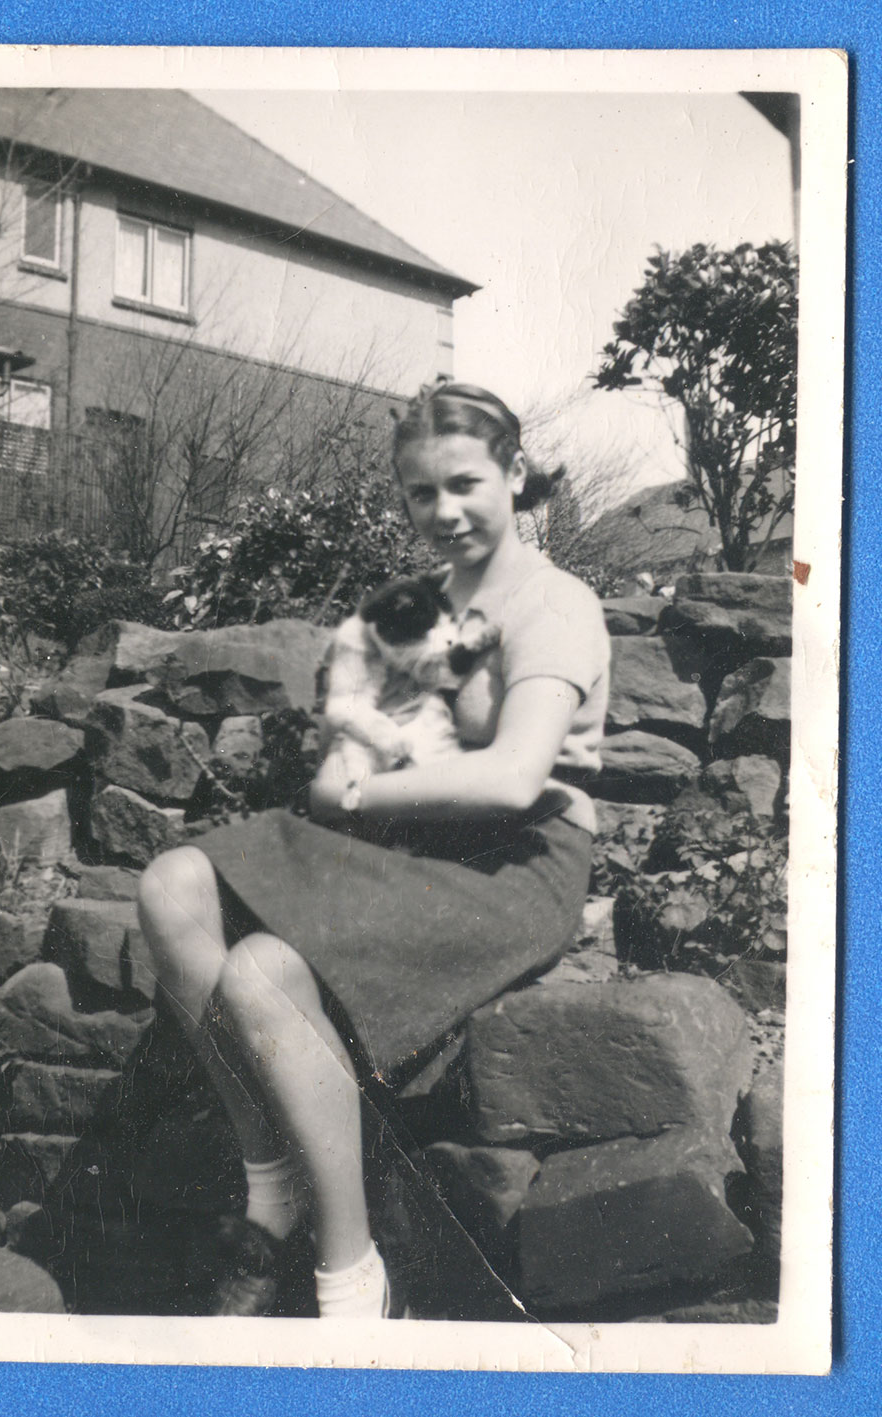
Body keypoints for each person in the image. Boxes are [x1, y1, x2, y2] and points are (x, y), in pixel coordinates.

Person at [137, 380, 611, 1319]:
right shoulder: (413, 605)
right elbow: (356, 738)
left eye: (466, 483)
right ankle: (270, 1184)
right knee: (173, 884)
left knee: (263, 972)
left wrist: (353, 787)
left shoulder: (555, 604)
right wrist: (355, 766)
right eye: (420, 495)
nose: (445, 511)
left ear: (517, 473)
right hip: (407, 843)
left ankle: (350, 1276)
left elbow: (515, 777)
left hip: (516, 863)